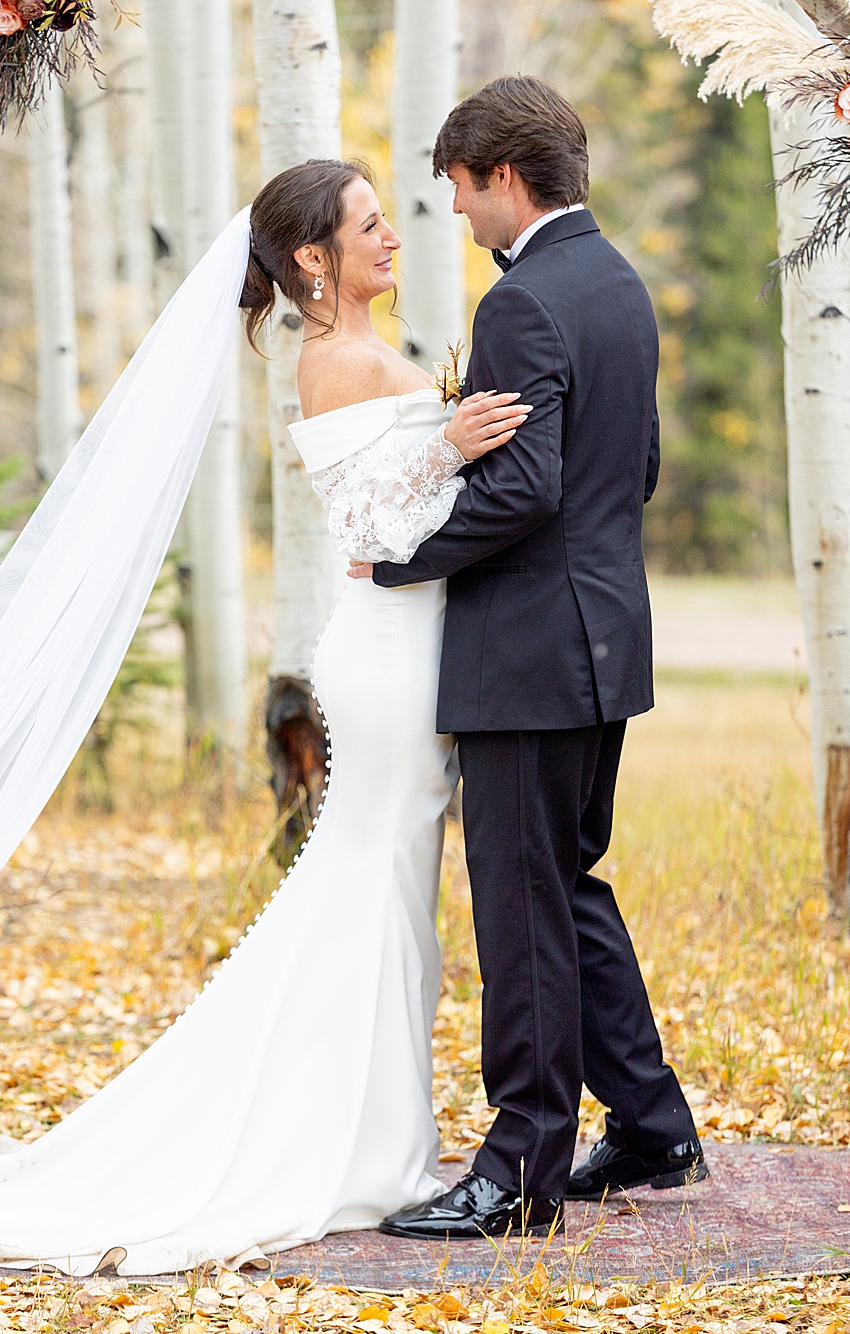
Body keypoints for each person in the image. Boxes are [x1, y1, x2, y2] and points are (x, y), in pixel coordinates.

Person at [0, 157, 534, 1274]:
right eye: (369, 224)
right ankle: (352, 1145)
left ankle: (380, 1133)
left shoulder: (357, 351)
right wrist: (450, 441)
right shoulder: (333, 359)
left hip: (413, 649)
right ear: (310, 258)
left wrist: (447, 443)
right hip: (385, 657)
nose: (391, 237)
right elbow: (367, 527)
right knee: (373, 885)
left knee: (389, 889)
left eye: (388, 220)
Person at [365, 76, 702, 1241]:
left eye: (458, 192)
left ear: (502, 177)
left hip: (525, 651)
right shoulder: (618, 285)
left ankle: (518, 1168)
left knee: (519, 906)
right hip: (603, 633)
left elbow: (521, 483)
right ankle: (653, 1124)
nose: (455, 215)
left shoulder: (520, 303)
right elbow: (635, 467)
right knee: (565, 886)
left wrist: (399, 555)